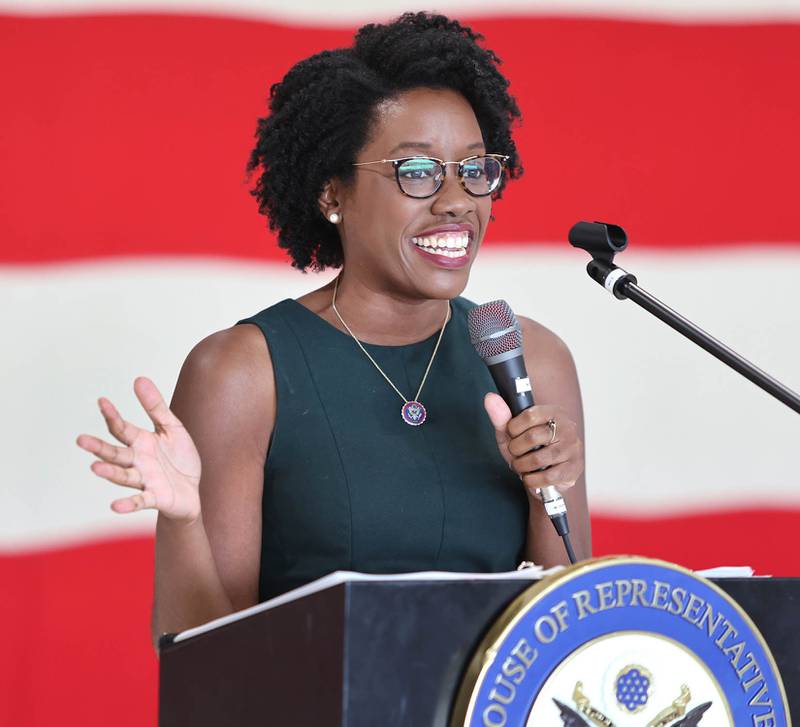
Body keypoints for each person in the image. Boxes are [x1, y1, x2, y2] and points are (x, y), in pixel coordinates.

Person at [76, 12, 589, 647]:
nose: (458, 199)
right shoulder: (242, 372)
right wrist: (185, 523)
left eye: (476, 169)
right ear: (332, 195)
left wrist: (548, 491)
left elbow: (568, 639)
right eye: (417, 171)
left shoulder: (529, 356)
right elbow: (203, 665)